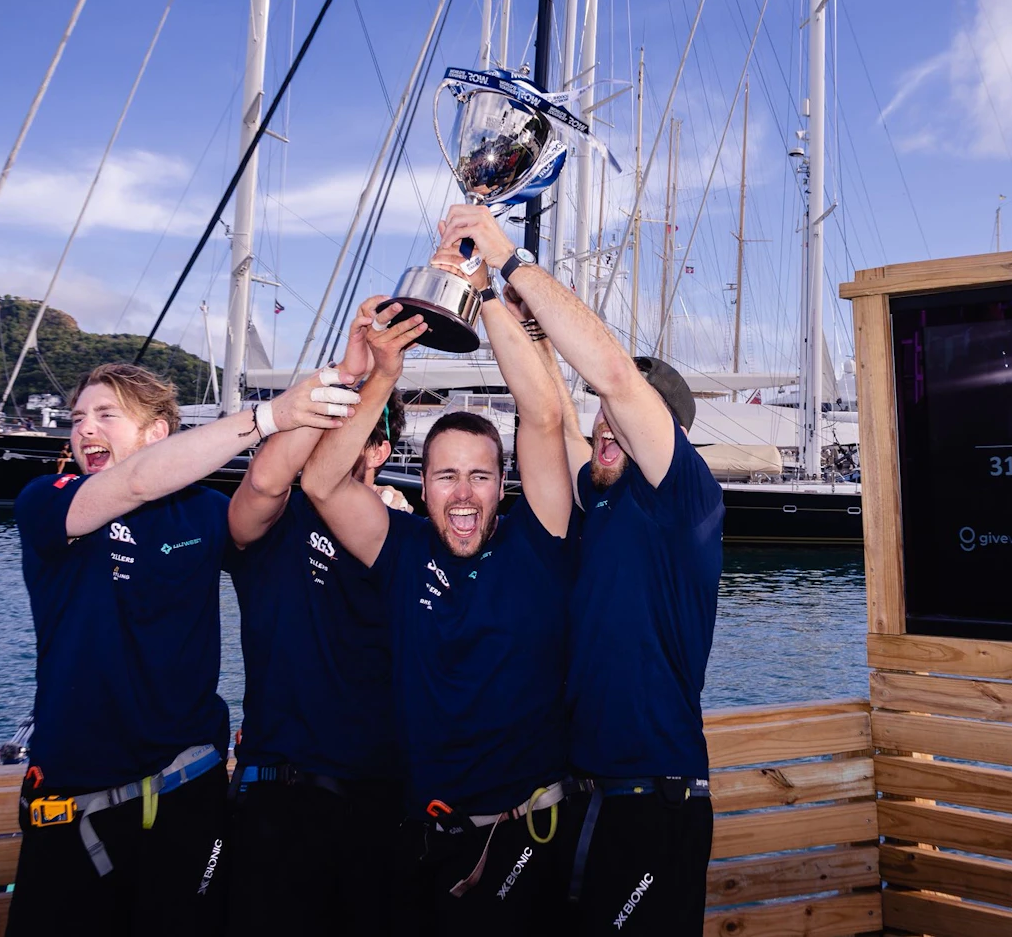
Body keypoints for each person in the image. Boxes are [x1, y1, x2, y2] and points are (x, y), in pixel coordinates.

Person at [440, 206, 724, 936]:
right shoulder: (597, 498)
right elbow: (548, 412)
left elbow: (612, 376)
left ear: (668, 436)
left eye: (624, 421)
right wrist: (478, 289)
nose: (606, 425)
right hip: (584, 800)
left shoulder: (682, 498)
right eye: (605, 417)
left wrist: (508, 256)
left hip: (655, 805)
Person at [7, 361, 359, 937]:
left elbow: (269, 488)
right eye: (78, 419)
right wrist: (269, 415)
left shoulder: (202, 513)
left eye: (105, 415)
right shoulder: (48, 501)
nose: (85, 430)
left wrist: (342, 378)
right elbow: (136, 483)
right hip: (76, 806)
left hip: (187, 794)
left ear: (157, 434)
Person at [299, 246, 577, 935]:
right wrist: (382, 374)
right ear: (421, 488)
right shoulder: (401, 548)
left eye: (479, 475)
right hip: (418, 837)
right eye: (445, 475)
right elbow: (321, 482)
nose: (462, 492)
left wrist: (484, 292)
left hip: (519, 837)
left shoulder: (537, 544)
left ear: (501, 486)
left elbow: (541, 417)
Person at [222, 305, 409, 936]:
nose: (337, 436)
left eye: (354, 427)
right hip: (278, 793)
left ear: (380, 448)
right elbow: (264, 481)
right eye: (328, 422)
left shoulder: (404, 540)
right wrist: (350, 378)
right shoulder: (274, 524)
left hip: (381, 799)